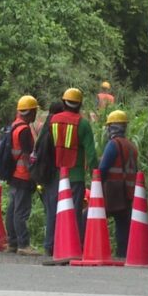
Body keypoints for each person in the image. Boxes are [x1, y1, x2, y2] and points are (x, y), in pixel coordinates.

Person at [50, 88, 98, 245]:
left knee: (55, 211)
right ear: (80, 104)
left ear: (64, 102)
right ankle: (74, 246)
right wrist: (96, 176)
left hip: (55, 176)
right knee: (74, 212)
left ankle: (55, 245)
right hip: (75, 177)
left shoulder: (53, 120)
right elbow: (91, 155)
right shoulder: (83, 124)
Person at [98, 110, 139, 259]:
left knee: (90, 216)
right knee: (123, 223)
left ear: (112, 127)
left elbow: (103, 168)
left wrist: (97, 186)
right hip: (129, 190)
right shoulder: (132, 146)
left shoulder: (113, 144)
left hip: (113, 190)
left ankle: (91, 247)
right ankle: (123, 254)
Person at [5, 95, 40, 256]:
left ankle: (12, 242)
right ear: (30, 112)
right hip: (23, 176)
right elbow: (26, 156)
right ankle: (23, 245)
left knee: (12, 210)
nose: (35, 115)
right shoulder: (24, 130)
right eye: (34, 111)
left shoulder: (13, 126)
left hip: (13, 176)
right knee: (21, 212)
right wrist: (32, 175)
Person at [34, 100, 64, 256]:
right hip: (51, 174)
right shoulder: (55, 127)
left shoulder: (46, 126)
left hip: (41, 175)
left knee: (50, 209)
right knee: (53, 210)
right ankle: (50, 245)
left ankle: (50, 244)